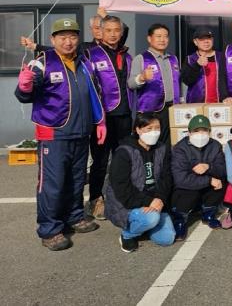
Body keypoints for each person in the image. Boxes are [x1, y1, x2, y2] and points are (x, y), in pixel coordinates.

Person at [15, 18, 105, 251]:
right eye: (62, 37)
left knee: (77, 179)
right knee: (52, 184)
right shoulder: (42, 62)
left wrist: (99, 121)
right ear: (52, 39)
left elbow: (93, 93)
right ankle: (50, 229)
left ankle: (74, 216)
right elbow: (25, 95)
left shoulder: (84, 62)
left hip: (81, 132)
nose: (68, 42)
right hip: (53, 133)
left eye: (73, 36)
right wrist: (24, 86)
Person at [105, 113, 175, 252]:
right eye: (149, 128)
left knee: (167, 239)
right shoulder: (124, 152)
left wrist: (159, 199)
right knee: (151, 218)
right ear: (138, 129)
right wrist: (148, 202)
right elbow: (122, 188)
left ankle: (144, 227)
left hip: (155, 200)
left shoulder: (162, 148)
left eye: (157, 128)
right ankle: (128, 234)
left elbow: (167, 178)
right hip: (128, 203)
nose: (154, 132)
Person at [86, 15, 133, 220]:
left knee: (123, 159)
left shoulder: (127, 56)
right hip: (103, 118)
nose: (113, 34)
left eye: (117, 30)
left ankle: (120, 197)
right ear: (100, 32)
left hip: (125, 115)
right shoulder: (91, 54)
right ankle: (96, 199)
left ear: (121, 33)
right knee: (100, 161)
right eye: (109, 30)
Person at [170, 115, 227, 240]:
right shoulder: (180, 148)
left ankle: (208, 213)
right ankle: (180, 220)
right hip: (187, 188)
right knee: (188, 191)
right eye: (196, 131)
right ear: (189, 132)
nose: (200, 134)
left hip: (207, 187)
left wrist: (209, 167)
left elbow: (222, 169)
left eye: (204, 130)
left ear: (209, 132)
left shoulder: (215, 145)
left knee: (221, 182)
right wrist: (209, 180)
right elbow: (180, 179)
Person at [128, 23, 180, 144]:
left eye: (165, 36)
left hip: (171, 109)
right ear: (149, 38)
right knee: (150, 144)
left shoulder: (173, 59)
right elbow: (131, 83)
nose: (162, 39)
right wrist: (142, 78)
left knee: (169, 143)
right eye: (158, 36)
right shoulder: (141, 58)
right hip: (151, 111)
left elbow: (177, 82)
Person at [181, 28, 228, 104]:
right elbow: (186, 81)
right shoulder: (190, 59)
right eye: (202, 39)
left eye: (209, 38)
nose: (206, 41)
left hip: (220, 104)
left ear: (212, 40)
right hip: (197, 104)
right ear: (195, 42)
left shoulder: (222, 57)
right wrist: (197, 65)